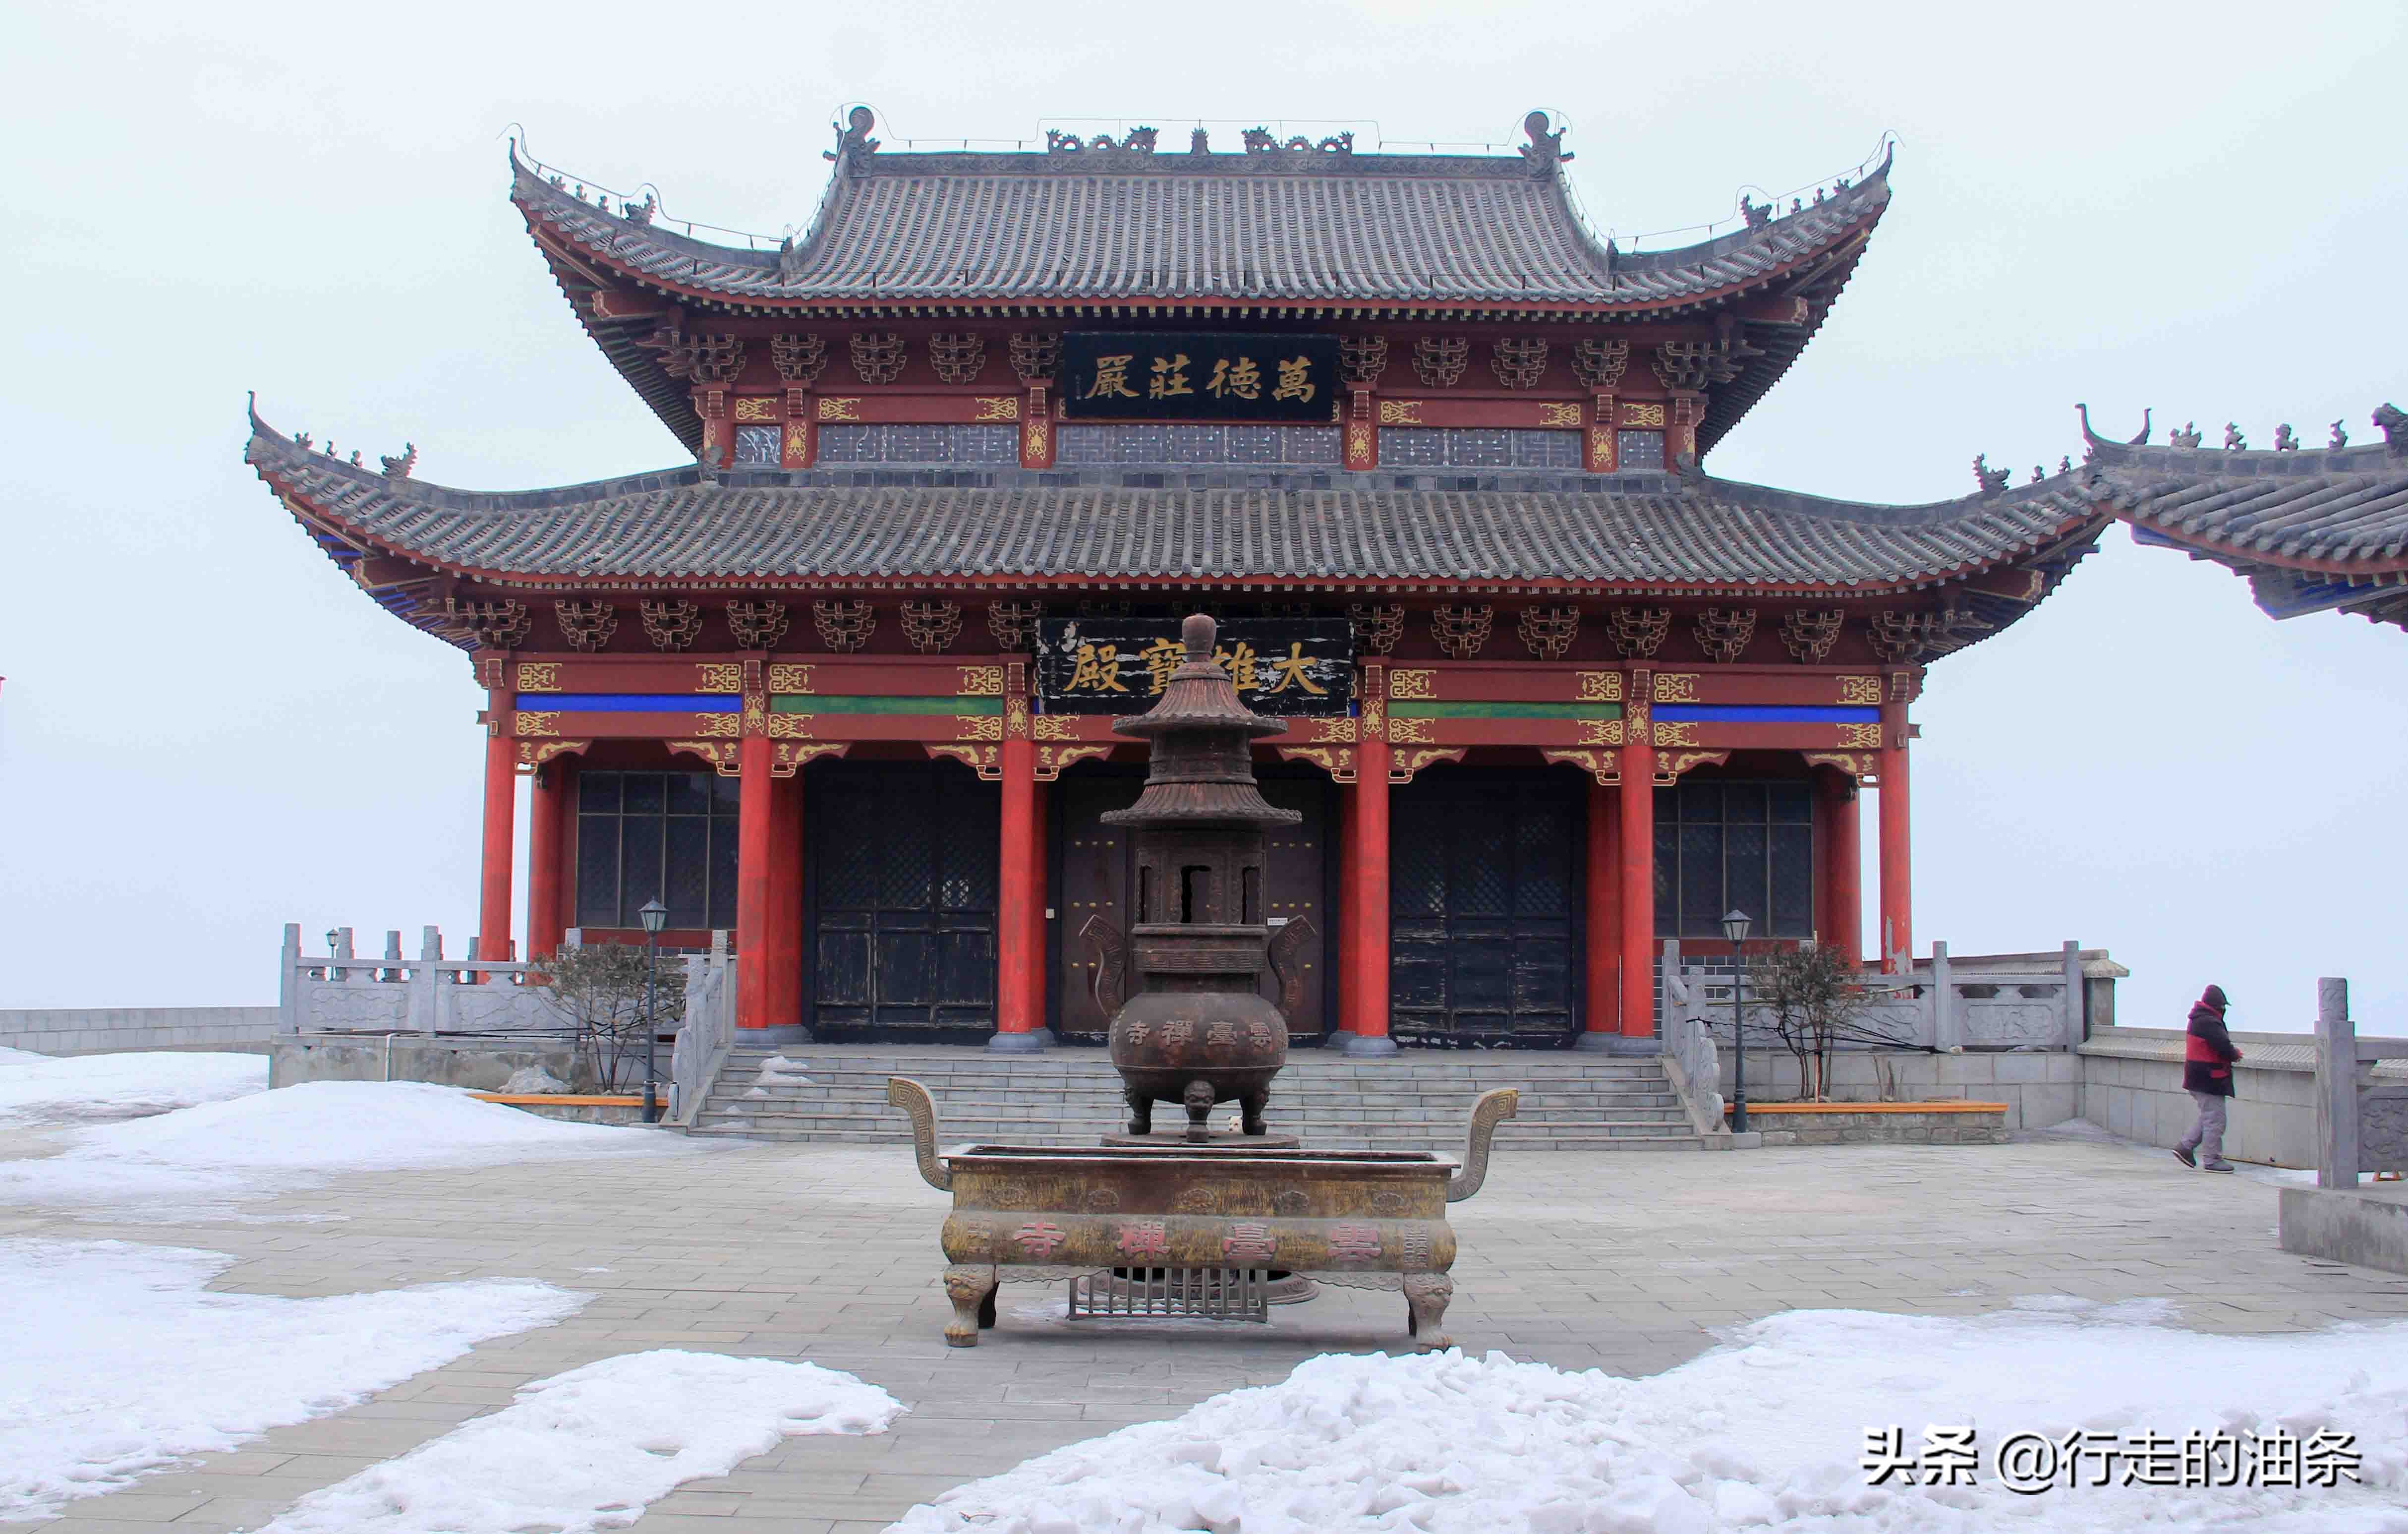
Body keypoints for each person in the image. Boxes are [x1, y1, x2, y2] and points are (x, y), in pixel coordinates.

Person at [2173, 984, 2242, 1172]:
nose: (2224, 1010)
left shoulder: (2200, 1019)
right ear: (2217, 1006)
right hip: (2209, 1079)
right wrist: (2235, 1053)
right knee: (2215, 1120)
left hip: (2199, 1078)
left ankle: (2185, 1147)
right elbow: (2223, 1046)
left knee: (2209, 1117)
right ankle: (2212, 1160)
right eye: (2223, 1006)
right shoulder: (2209, 1022)